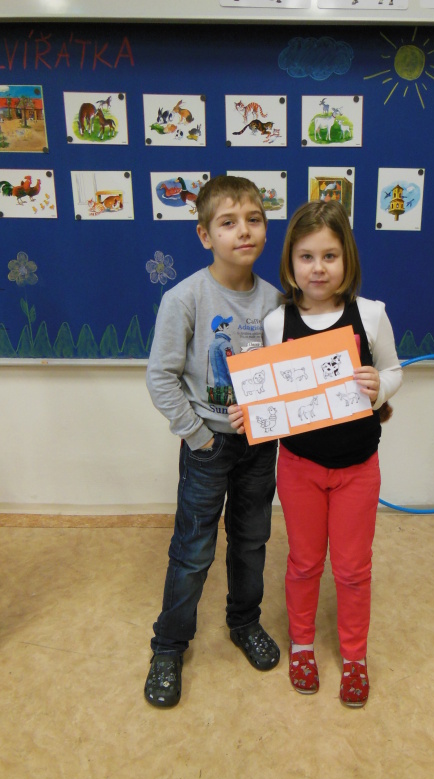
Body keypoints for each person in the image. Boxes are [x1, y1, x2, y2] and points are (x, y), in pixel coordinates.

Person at [229, 200, 403, 708]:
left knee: (352, 569)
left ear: (347, 258)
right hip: (299, 468)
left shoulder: (371, 315)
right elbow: (267, 395)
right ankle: (302, 645)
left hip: (358, 469)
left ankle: (355, 655)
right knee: (304, 562)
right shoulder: (276, 322)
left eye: (330, 255)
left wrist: (381, 386)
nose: (318, 268)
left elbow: (394, 370)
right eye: (306, 257)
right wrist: (249, 413)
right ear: (291, 262)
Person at [144, 175, 282, 708]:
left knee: (251, 541)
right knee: (193, 550)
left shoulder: (277, 302)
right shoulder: (185, 297)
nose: (243, 231)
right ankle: (168, 646)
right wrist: (199, 437)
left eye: (254, 219)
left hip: (260, 449)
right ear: (205, 235)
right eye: (228, 222)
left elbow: (284, 377)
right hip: (207, 448)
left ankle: (244, 622)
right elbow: (161, 377)